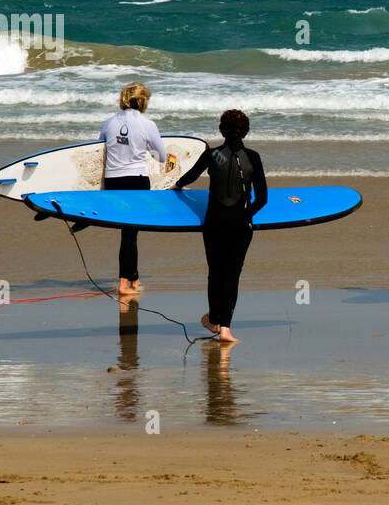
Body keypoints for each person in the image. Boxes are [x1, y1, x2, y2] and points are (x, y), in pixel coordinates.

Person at [172, 109, 268, 343]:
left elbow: (189, 177)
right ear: (245, 131)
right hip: (241, 226)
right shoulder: (253, 157)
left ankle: (214, 320)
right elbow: (262, 199)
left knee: (215, 273)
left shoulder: (213, 155)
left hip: (215, 224)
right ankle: (225, 328)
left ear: (221, 130)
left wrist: (177, 186)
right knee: (232, 275)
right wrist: (245, 216)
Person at [100, 82, 168, 296]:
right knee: (130, 233)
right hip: (137, 180)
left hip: (112, 180)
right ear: (143, 101)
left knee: (127, 232)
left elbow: (97, 152)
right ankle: (125, 283)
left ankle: (133, 280)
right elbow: (162, 156)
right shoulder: (148, 124)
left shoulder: (109, 123)